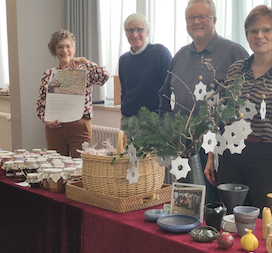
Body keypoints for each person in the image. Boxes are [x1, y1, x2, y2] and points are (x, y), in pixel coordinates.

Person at [205, 5, 272, 207]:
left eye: (266, 30)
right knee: (230, 218)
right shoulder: (236, 69)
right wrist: (211, 155)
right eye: (253, 31)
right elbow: (221, 115)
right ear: (247, 35)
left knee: (267, 222)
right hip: (231, 156)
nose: (259, 36)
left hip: (269, 159)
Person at [158, 0, 249, 202]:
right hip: (182, 145)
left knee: (213, 206)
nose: (196, 22)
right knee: (185, 204)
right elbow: (165, 95)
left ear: (214, 20)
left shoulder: (234, 52)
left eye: (202, 17)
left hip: (218, 149)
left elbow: (244, 100)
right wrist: (165, 132)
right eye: (191, 18)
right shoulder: (180, 56)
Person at [37, 29, 109, 157]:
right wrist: (45, 119)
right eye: (60, 47)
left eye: (68, 46)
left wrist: (84, 60)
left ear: (74, 48)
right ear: (54, 51)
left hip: (79, 126)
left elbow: (104, 76)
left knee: (82, 166)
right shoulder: (49, 74)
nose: (64, 51)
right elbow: (41, 104)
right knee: (56, 167)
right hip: (55, 127)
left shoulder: (85, 70)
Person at [118, 13, 172, 126]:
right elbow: (124, 91)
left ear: (147, 32)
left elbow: (170, 89)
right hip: (128, 120)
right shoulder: (123, 59)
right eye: (130, 30)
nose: (134, 34)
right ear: (125, 33)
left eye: (139, 30)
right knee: (123, 145)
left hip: (154, 122)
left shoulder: (160, 53)